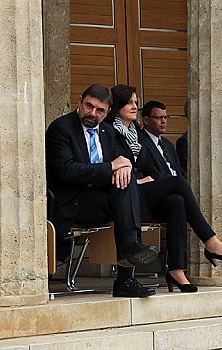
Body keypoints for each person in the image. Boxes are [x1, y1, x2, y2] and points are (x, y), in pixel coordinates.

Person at [104, 84, 222, 293]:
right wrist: (137, 180)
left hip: (142, 192)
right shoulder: (109, 131)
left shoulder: (133, 134)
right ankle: (210, 241)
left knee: (176, 202)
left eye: (136, 103)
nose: (135, 106)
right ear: (118, 105)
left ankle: (176, 270)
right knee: (178, 182)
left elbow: (145, 167)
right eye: (130, 102)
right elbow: (111, 163)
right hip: (123, 194)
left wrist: (144, 178)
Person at [46, 84, 159, 298]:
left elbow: (120, 160)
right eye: (89, 106)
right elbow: (67, 171)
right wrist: (111, 168)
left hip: (99, 202)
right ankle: (129, 256)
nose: (92, 113)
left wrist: (124, 165)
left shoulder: (107, 131)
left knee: (125, 182)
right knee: (124, 186)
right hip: (72, 202)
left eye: (99, 111)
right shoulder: (61, 128)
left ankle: (127, 267)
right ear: (80, 101)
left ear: (107, 113)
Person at [139, 100, 185, 179]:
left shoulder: (168, 145)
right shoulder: (140, 141)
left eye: (165, 117)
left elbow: (180, 171)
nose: (163, 121)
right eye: (159, 118)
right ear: (146, 120)